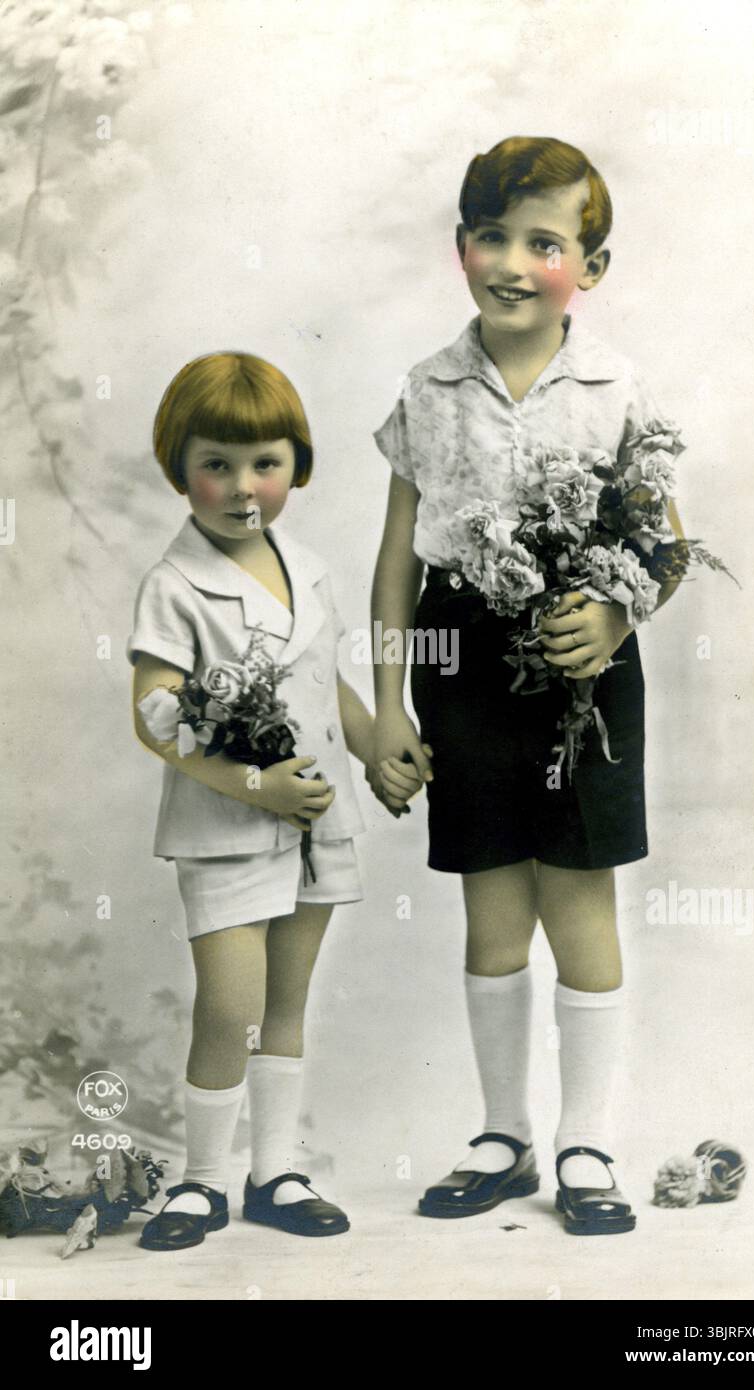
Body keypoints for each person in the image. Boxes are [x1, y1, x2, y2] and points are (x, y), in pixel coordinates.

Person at [370, 136, 687, 1234]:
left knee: (579, 904)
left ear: (588, 268)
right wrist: (388, 708)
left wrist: (612, 611)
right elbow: (398, 563)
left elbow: (668, 547)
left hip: (583, 670)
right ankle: (502, 1133)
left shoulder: (617, 389)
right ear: (461, 248)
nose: (513, 261)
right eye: (492, 236)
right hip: (465, 663)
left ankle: (585, 1141)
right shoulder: (428, 388)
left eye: (544, 243)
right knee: (493, 906)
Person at [128, 351, 422, 1250]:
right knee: (231, 1004)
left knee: (286, 1002)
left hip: (316, 820)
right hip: (224, 826)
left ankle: (275, 1173)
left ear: (299, 464)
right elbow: (154, 718)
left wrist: (379, 745)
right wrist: (250, 783)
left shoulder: (308, 565)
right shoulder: (176, 585)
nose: (243, 488)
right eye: (215, 464)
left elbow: (324, 682)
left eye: (267, 464)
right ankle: (202, 1181)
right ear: (180, 468)